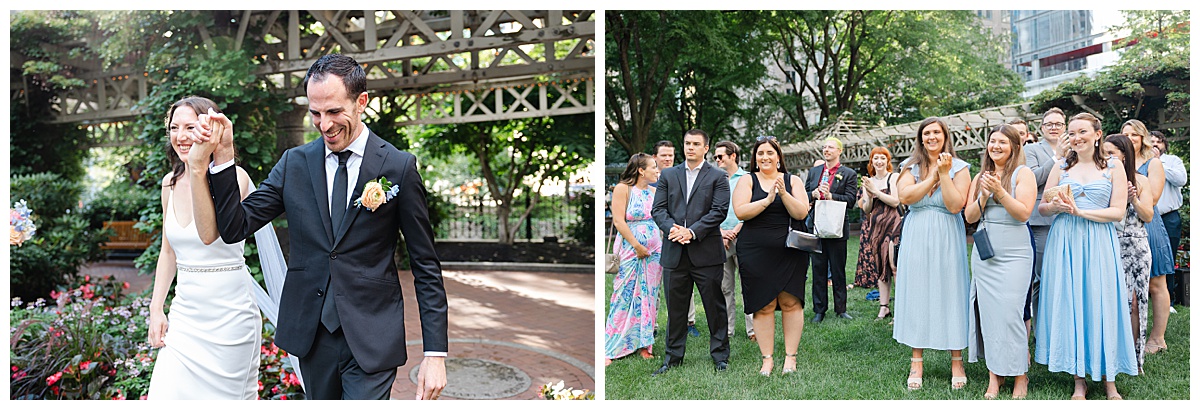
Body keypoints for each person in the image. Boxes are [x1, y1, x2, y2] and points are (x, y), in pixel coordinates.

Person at [186, 54, 448, 400]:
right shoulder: (294, 163)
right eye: (315, 113)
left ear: (362, 102)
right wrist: (223, 156)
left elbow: (425, 265)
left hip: (372, 336)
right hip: (312, 336)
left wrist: (435, 354)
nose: (324, 124)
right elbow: (236, 227)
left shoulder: (398, 167)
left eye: (335, 112)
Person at [146, 97, 262, 399]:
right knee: (164, 395)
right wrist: (156, 307)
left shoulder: (235, 178)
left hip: (230, 315)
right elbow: (168, 252)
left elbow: (210, 234)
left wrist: (200, 167)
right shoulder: (168, 184)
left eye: (190, 127)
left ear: (209, 129)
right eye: (174, 128)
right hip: (186, 315)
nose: (181, 136)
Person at [1034, 113, 1137, 400]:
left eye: (1082, 132)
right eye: (1072, 132)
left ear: (1097, 134)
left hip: (1098, 241)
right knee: (1072, 302)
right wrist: (1057, 206)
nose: (1076, 137)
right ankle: (1079, 379)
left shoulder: (1114, 167)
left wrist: (1080, 211)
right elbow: (1041, 207)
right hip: (1064, 241)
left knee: (1101, 302)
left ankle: (1109, 381)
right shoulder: (1061, 166)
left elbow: (1117, 212)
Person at [893, 117, 971, 391]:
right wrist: (933, 176)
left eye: (937, 132)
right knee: (918, 291)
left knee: (951, 290)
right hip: (917, 233)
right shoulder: (909, 166)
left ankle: (957, 360)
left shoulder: (960, 168)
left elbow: (954, 205)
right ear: (921, 138)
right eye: (927, 133)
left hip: (947, 232)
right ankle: (916, 360)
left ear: (945, 136)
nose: (932, 137)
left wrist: (946, 175)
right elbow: (906, 197)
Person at [963, 125, 1036, 399]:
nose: (996, 146)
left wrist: (1000, 192)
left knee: (1011, 313)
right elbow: (969, 217)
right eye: (992, 141)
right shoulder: (980, 176)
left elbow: (1024, 214)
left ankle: (1020, 376)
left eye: (1002, 142)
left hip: (1015, 252)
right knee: (991, 315)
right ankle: (995, 376)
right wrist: (983, 195)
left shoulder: (1022, 173)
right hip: (986, 253)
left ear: (1014, 147)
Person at [650, 129, 731, 376]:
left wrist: (692, 232)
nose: (690, 147)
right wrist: (673, 229)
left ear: (706, 148)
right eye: (687, 143)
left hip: (706, 253)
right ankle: (672, 358)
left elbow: (719, 211)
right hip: (675, 252)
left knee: (714, 307)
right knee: (676, 310)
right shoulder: (669, 175)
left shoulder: (718, 176)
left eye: (696, 143)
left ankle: (720, 356)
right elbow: (658, 209)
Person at [732, 136, 811, 376]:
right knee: (763, 304)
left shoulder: (793, 180)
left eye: (770, 152)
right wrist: (767, 200)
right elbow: (741, 212)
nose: (765, 157)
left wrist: (783, 194)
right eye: (760, 153)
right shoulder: (747, 180)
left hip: (790, 251)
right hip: (755, 252)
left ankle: (790, 357)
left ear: (778, 156)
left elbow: (802, 211)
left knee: (790, 302)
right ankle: (767, 359)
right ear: (755, 157)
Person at [1121, 119, 1174, 355]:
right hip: (1122, 226)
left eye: (1135, 134)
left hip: (1148, 225)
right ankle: (1131, 337)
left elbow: (1152, 199)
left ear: (1142, 138)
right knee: (1130, 288)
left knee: (1156, 283)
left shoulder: (1152, 163)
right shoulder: (1116, 162)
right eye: (1126, 134)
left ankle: (1157, 337)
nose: (1130, 138)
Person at [1103, 134, 1154, 374]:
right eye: (1104, 153)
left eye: (1111, 153)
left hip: (1136, 246)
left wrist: (1133, 198)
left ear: (1124, 155)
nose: (1106, 157)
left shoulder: (1141, 180)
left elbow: (1148, 216)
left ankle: (1135, 357)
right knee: (1115, 301)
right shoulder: (1103, 179)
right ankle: (1113, 354)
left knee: (1136, 301)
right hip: (1109, 243)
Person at [605, 154, 663, 365]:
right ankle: (612, 346)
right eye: (653, 167)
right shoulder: (623, 189)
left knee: (649, 296)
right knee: (624, 295)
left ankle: (644, 344)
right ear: (641, 170)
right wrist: (638, 245)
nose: (657, 171)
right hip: (630, 250)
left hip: (655, 252)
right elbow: (619, 221)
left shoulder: (655, 192)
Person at [1023, 107, 1068, 336]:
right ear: (1042, 128)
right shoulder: (1031, 149)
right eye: (1049, 124)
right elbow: (1033, 178)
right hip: (1041, 221)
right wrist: (1057, 158)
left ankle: (1062, 327)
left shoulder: (1076, 148)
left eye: (1058, 124)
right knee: (1041, 277)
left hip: (1070, 218)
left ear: (1065, 126)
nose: (1054, 127)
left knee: (1065, 276)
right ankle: (1041, 331)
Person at [804, 137, 859, 322]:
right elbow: (803, 196)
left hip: (837, 227)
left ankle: (841, 308)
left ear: (839, 151)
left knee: (838, 270)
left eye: (830, 147)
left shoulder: (849, 173)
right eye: (824, 147)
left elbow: (851, 200)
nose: (826, 150)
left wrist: (831, 195)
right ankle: (819, 310)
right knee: (818, 269)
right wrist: (812, 194)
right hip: (817, 226)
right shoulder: (814, 172)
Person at [651, 139, 700, 337]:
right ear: (655, 157)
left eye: (670, 155)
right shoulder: (649, 180)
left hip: (682, 237)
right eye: (663, 155)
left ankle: (689, 322)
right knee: (655, 283)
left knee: (685, 280)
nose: (668, 158)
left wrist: (680, 232)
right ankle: (652, 325)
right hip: (657, 237)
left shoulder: (683, 177)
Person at [854, 146, 902, 320]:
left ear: (887, 161)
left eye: (883, 158)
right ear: (871, 162)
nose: (879, 161)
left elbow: (896, 201)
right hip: (876, 227)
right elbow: (867, 209)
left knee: (894, 267)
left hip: (893, 225)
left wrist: (876, 192)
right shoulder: (869, 181)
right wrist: (868, 193)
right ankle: (884, 307)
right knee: (881, 268)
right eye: (876, 158)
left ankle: (901, 308)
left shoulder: (893, 177)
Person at [714, 141, 755, 341]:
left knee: (748, 284)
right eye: (715, 157)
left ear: (733, 156)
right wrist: (721, 232)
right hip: (720, 238)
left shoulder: (747, 178)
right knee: (725, 287)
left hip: (744, 235)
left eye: (720, 156)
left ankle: (753, 329)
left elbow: (752, 207)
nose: (717, 160)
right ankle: (728, 330)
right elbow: (709, 209)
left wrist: (736, 229)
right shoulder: (714, 179)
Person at [1150, 131, 1185, 306]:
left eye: (1159, 141)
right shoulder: (1141, 162)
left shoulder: (1173, 161)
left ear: (1164, 145)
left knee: (1169, 256)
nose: (1155, 144)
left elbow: (1181, 180)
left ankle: (1168, 300)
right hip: (1148, 215)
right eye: (1152, 141)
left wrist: (1158, 163)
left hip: (1169, 216)